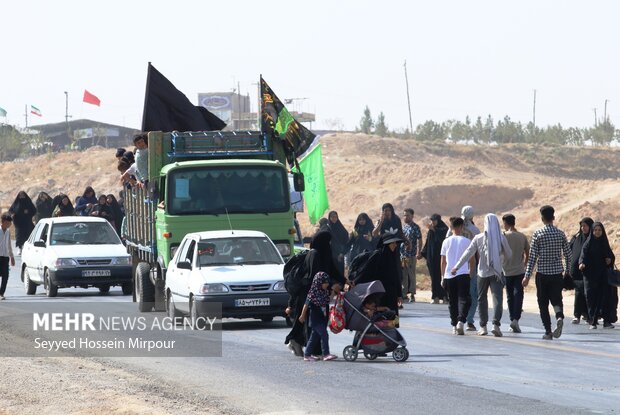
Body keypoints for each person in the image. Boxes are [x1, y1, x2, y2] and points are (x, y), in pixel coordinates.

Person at [284, 231, 344, 357]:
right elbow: (315, 276)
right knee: (314, 323)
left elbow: (332, 270)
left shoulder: (325, 254)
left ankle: (299, 342)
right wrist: (331, 284)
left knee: (315, 323)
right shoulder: (314, 254)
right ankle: (315, 350)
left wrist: (346, 281)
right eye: (328, 242)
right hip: (311, 294)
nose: (330, 244)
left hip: (321, 294)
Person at [453, 214, 512, 337]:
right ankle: (496, 325)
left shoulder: (478, 238)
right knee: (497, 299)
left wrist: (457, 266)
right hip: (496, 272)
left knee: (481, 300)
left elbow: (468, 253)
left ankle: (483, 327)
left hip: (482, 273)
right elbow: (509, 254)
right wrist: (500, 260)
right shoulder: (501, 238)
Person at [523, 205, 571, 340]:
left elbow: (532, 257)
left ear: (542, 218)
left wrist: (527, 276)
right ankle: (559, 316)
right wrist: (567, 271)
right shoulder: (560, 233)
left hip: (542, 274)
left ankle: (548, 331)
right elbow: (568, 254)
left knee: (543, 303)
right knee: (556, 298)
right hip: (557, 274)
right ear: (553, 218)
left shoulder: (538, 234)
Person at [352, 233, 404, 316]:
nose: (395, 245)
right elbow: (366, 271)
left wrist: (399, 294)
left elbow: (396, 276)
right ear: (386, 244)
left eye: (395, 243)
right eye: (393, 243)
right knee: (379, 321)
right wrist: (355, 282)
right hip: (379, 294)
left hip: (391, 294)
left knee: (391, 321)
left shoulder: (393, 256)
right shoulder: (377, 255)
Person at [579, 222, 615, 329]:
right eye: (595, 230)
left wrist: (610, 260)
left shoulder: (604, 243)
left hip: (603, 275)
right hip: (590, 276)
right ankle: (593, 321)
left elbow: (611, 256)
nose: (597, 232)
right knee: (591, 298)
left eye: (599, 230)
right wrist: (581, 263)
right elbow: (583, 256)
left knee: (605, 297)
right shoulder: (588, 243)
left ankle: (607, 321)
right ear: (592, 231)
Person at [443, 217, 475, 335]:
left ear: (451, 227)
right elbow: (472, 260)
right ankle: (461, 321)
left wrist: (442, 276)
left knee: (452, 301)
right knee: (464, 299)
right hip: (463, 274)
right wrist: (471, 273)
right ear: (462, 227)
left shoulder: (446, 241)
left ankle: (453, 324)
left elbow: (443, 261)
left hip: (449, 275)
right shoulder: (467, 241)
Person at [298, 272, 337, 362]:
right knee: (324, 334)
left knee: (314, 337)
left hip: (322, 318)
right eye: (324, 282)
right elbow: (306, 305)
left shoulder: (324, 292)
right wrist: (302, 315)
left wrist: (333, 293)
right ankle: (326, 354)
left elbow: (327, 301)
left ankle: (307, 355)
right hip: (315, 318)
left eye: (327, 282)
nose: (326, 284)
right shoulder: (313, 293)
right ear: (318, 282)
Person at [502, 213, 530, 334]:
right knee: (519, 295)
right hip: (519, 270)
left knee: (509, 296)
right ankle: (515, 320)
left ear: (505, 223)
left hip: (506, 270)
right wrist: (524, 264)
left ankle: (511, 319)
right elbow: (528, 252)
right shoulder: (522, 236)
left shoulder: (503, 236)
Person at [569, 217, 594, 324]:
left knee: (588, 293)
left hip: (590, 271)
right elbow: (569, 250)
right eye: (582, 226)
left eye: (585, 226)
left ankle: (588, 315)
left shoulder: (594, 238)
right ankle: (577, 315)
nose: (583, 228)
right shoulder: (576, 238)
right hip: (577, 271)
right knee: (579, 293)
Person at [421, 213, 449, 304]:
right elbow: (428, 243)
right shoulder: (431, 230)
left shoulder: (444, 229)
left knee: (443, 277)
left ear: (438, 220)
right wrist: (422, 253)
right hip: (432, 258)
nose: (432, 222)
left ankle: (445, 297)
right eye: (431, 220)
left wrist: (434, 230)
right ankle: (435, 296)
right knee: (434, 278)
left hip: (441, 258)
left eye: (434, 220)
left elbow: (443, 240)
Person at [401, 208, 422, 303]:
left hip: (411, 254)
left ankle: (413, 294)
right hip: (403, 255)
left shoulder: (415, 227)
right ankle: (404, 294)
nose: (405, 217)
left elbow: (419, 239)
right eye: (404, 215)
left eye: (407, 215)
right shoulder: (403, 227)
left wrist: (418, 252)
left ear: (412, 216)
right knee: (404, 275)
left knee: (411, 274)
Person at [326, 210, 349, 277]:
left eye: (335, 217)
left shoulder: (341, 229)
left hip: (340, 256)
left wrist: (342, 253)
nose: (334, 218)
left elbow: (346, 242)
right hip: (331, 256)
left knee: (340, 274)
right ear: (329, 218)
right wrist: (335, 255)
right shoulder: (327, 229)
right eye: (332, 217)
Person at [0, 214, 16, 300]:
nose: (10, 225)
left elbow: (9, 244)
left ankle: (1, 293)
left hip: (5, 257)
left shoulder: (8, 231)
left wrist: (12, 257)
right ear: (4, 222)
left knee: (5, 276)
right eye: (8, 223)